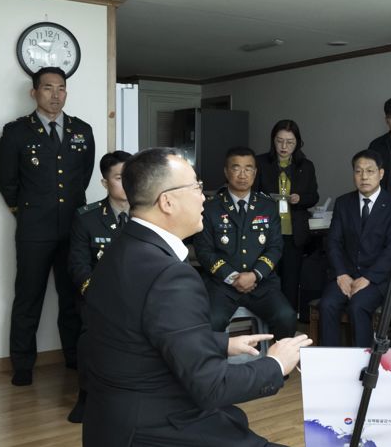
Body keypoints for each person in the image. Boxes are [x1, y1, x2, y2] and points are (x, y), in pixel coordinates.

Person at [82, 147, 311, 447]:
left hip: (109, 419)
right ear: (167, 202)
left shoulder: (121, 248)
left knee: (235, 419)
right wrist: (276, 364)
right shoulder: (170, 276)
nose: (203, 197)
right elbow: (212, 386)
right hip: (155, 425)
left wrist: (221, 343)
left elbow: (139, 334)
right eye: (196, 187)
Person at [0, 66, 95, 386]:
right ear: (34, 92)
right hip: (34, 230)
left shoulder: (82, 130)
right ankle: (23, 364)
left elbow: (84, 176)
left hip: (73, 228)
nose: (56, 95)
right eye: (48, 88)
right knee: (28, 297)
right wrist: (26, 212)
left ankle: (74, 357)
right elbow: (6, 180)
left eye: (61, 88)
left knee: (73, 296)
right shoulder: (16, 132)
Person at [194, 146, 296, 338]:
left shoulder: (268, 206)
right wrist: (233, 277)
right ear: (226, 172)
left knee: (287, 317)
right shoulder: (210, 208)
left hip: (262, 285)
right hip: (222, 286)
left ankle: (277, 358)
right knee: (210, 322)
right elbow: (204, 251)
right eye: (236, 168)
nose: (243, 175)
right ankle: (216, 359)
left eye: (248, 168)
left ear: (255, 173)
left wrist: (255, 275)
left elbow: (275, 247)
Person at [66, 150, 132, 423]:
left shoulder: (149, 214)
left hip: (140, 297)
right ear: (105, 183)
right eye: (119, 177)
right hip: (100, 298)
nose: (127, 183)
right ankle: (86, 395)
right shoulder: (87, 217)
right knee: (88, 338)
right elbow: (78, 265)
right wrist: (98, 295)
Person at [318, 149, 391, 347]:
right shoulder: (343, 203)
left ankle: (363, 361)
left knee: (358, 306)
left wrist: (368, 278)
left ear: (381, 173)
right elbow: (333, 242)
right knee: (327, 304)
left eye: (370, 171)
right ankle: (330, 360)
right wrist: (341, 274)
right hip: (345, 275)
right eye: (358, 171)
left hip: (377, 279)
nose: (364, 177)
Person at [255, 119, 319, 314]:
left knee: (291, 281)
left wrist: (300, 199)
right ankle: (267, 321)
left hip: (294, 234)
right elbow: (252, 194)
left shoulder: (305, 166)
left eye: (290, 142)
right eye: (279, 141)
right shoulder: (261, 163)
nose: (284, 147)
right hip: (267, 233)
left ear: (297, 143)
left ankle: (289, 321)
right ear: (273, 140)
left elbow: (313, 196)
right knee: (267, 278)